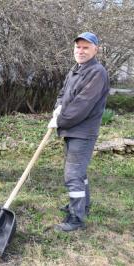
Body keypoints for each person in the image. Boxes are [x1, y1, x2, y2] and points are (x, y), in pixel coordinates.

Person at [48, 32, 109, 231]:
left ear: (95, 50)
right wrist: (57, 109)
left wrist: (60, 120)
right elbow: (63, 94)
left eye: (85, 47)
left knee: (73, 175)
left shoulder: (97, 72)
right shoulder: (76, 70)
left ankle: (76, 218)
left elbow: (82, 105)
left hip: (82, 132)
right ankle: (83, 206)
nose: (80, 51)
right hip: (71, 130)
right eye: (78, 47)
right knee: (78, 173)